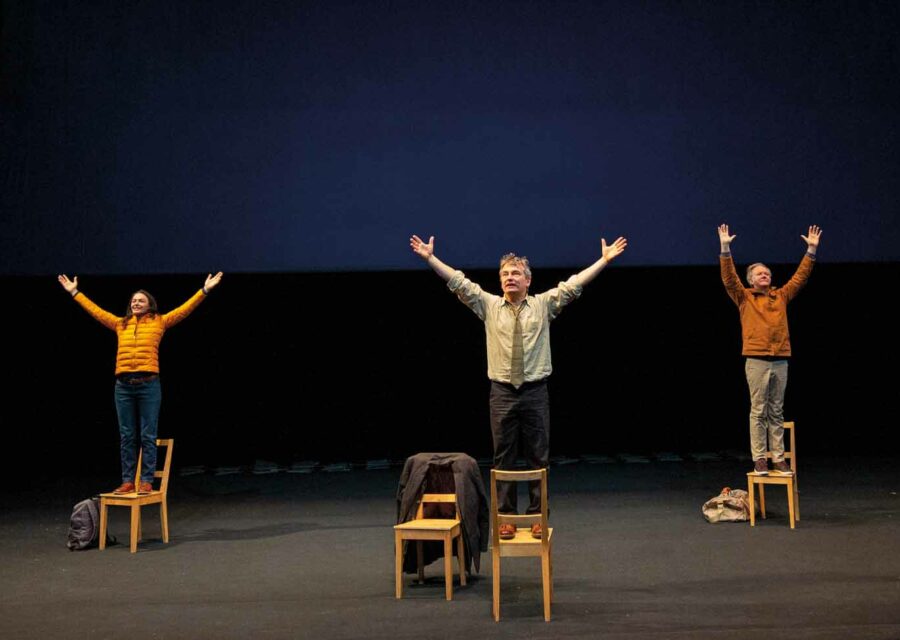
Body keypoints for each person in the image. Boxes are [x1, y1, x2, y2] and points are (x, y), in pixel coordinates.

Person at [410, 234, 627, 538]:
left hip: (535, 392)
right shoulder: (489, 305)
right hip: (502, 393)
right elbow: (459, 283)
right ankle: (506, 516)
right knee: (504, 459)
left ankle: (538, 515)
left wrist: (603, 260)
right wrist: (431, 258)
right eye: (505, 274)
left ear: (528, 280)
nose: (509, 277)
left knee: (539, 457)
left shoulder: (542, 305)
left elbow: (574, 285)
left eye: (515, 273)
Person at [58, 272, 223, 494]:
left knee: (148, 435)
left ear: (149, 305)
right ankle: (128, 481)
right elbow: (96, 311)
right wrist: (74, 292)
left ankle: (146, 480)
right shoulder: (121, 324)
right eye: (133, 301)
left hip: (149, 385)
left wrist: (204, 290)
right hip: (123, 386)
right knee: (126, 435)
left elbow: (184, 309)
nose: (136, 303)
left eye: (140, 301)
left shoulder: (160, 322)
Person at [718, 224, 821, 475]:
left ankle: (778, 458)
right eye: (759, 274)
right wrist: (725, 248)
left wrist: (811, 250)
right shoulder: (744, 297)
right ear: (751, 280)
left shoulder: (781, 296)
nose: (764, 275)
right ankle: (759, 459)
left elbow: (800, 278)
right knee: (758, 411)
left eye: (767, 273)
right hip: (756, 359)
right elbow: (729, 278)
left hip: (780, 359)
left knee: (776, 410)